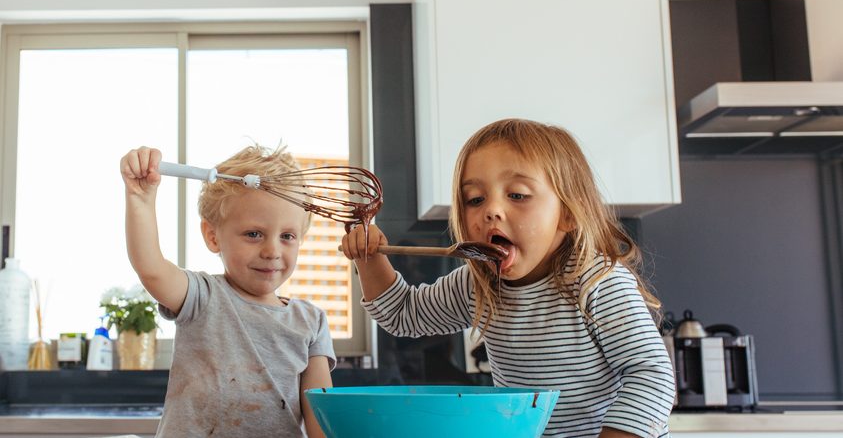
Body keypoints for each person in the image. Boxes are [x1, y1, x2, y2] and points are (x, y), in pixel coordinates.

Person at [341, 118, 675, 438]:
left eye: (516, 195)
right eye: (475, 199)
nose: (491, 210)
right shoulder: (476, 285)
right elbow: (404, 316)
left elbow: (651, 376)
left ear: (568, 214)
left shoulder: (597, 281)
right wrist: (369, 259)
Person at [121, 144, 335, 438]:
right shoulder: (203, 296)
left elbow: (322, 419)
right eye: (253, 234)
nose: (272, 250)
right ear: (212, 236)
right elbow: (151, 269)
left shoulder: (311, 322)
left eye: (287, 236)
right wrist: (140, 198)